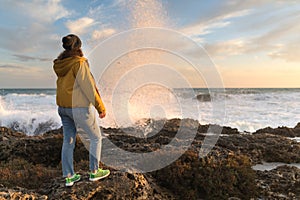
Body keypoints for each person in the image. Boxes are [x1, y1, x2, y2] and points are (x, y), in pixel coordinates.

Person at [53, 34, 110, 187]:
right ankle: (94, 172)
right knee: (96, 137)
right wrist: (100, 108)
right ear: (78, 46)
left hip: (63, 108)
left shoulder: (60, 64)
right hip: (79, 108)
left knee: (68, 141)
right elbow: (89, 88)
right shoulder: (79, 63)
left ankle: (69, 177)